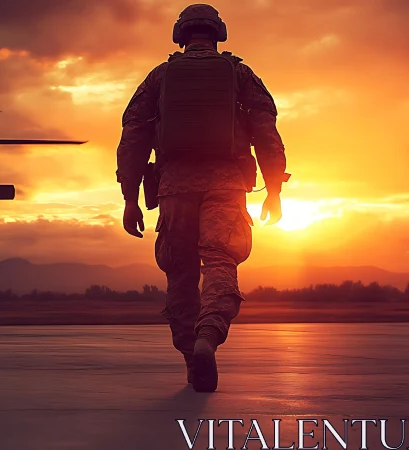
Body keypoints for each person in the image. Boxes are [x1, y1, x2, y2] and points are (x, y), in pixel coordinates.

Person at [115, 4, 289, 392]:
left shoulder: (159, 77)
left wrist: (129, 197)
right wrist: (274, 188)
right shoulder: (240, 75)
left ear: (180, 34)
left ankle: (191, 358)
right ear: (218, 34)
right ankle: (208, 336)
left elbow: (133, 137)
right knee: (221, 262)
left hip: (174, 186)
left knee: (180, 273)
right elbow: (266, 131)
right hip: (226, 184)